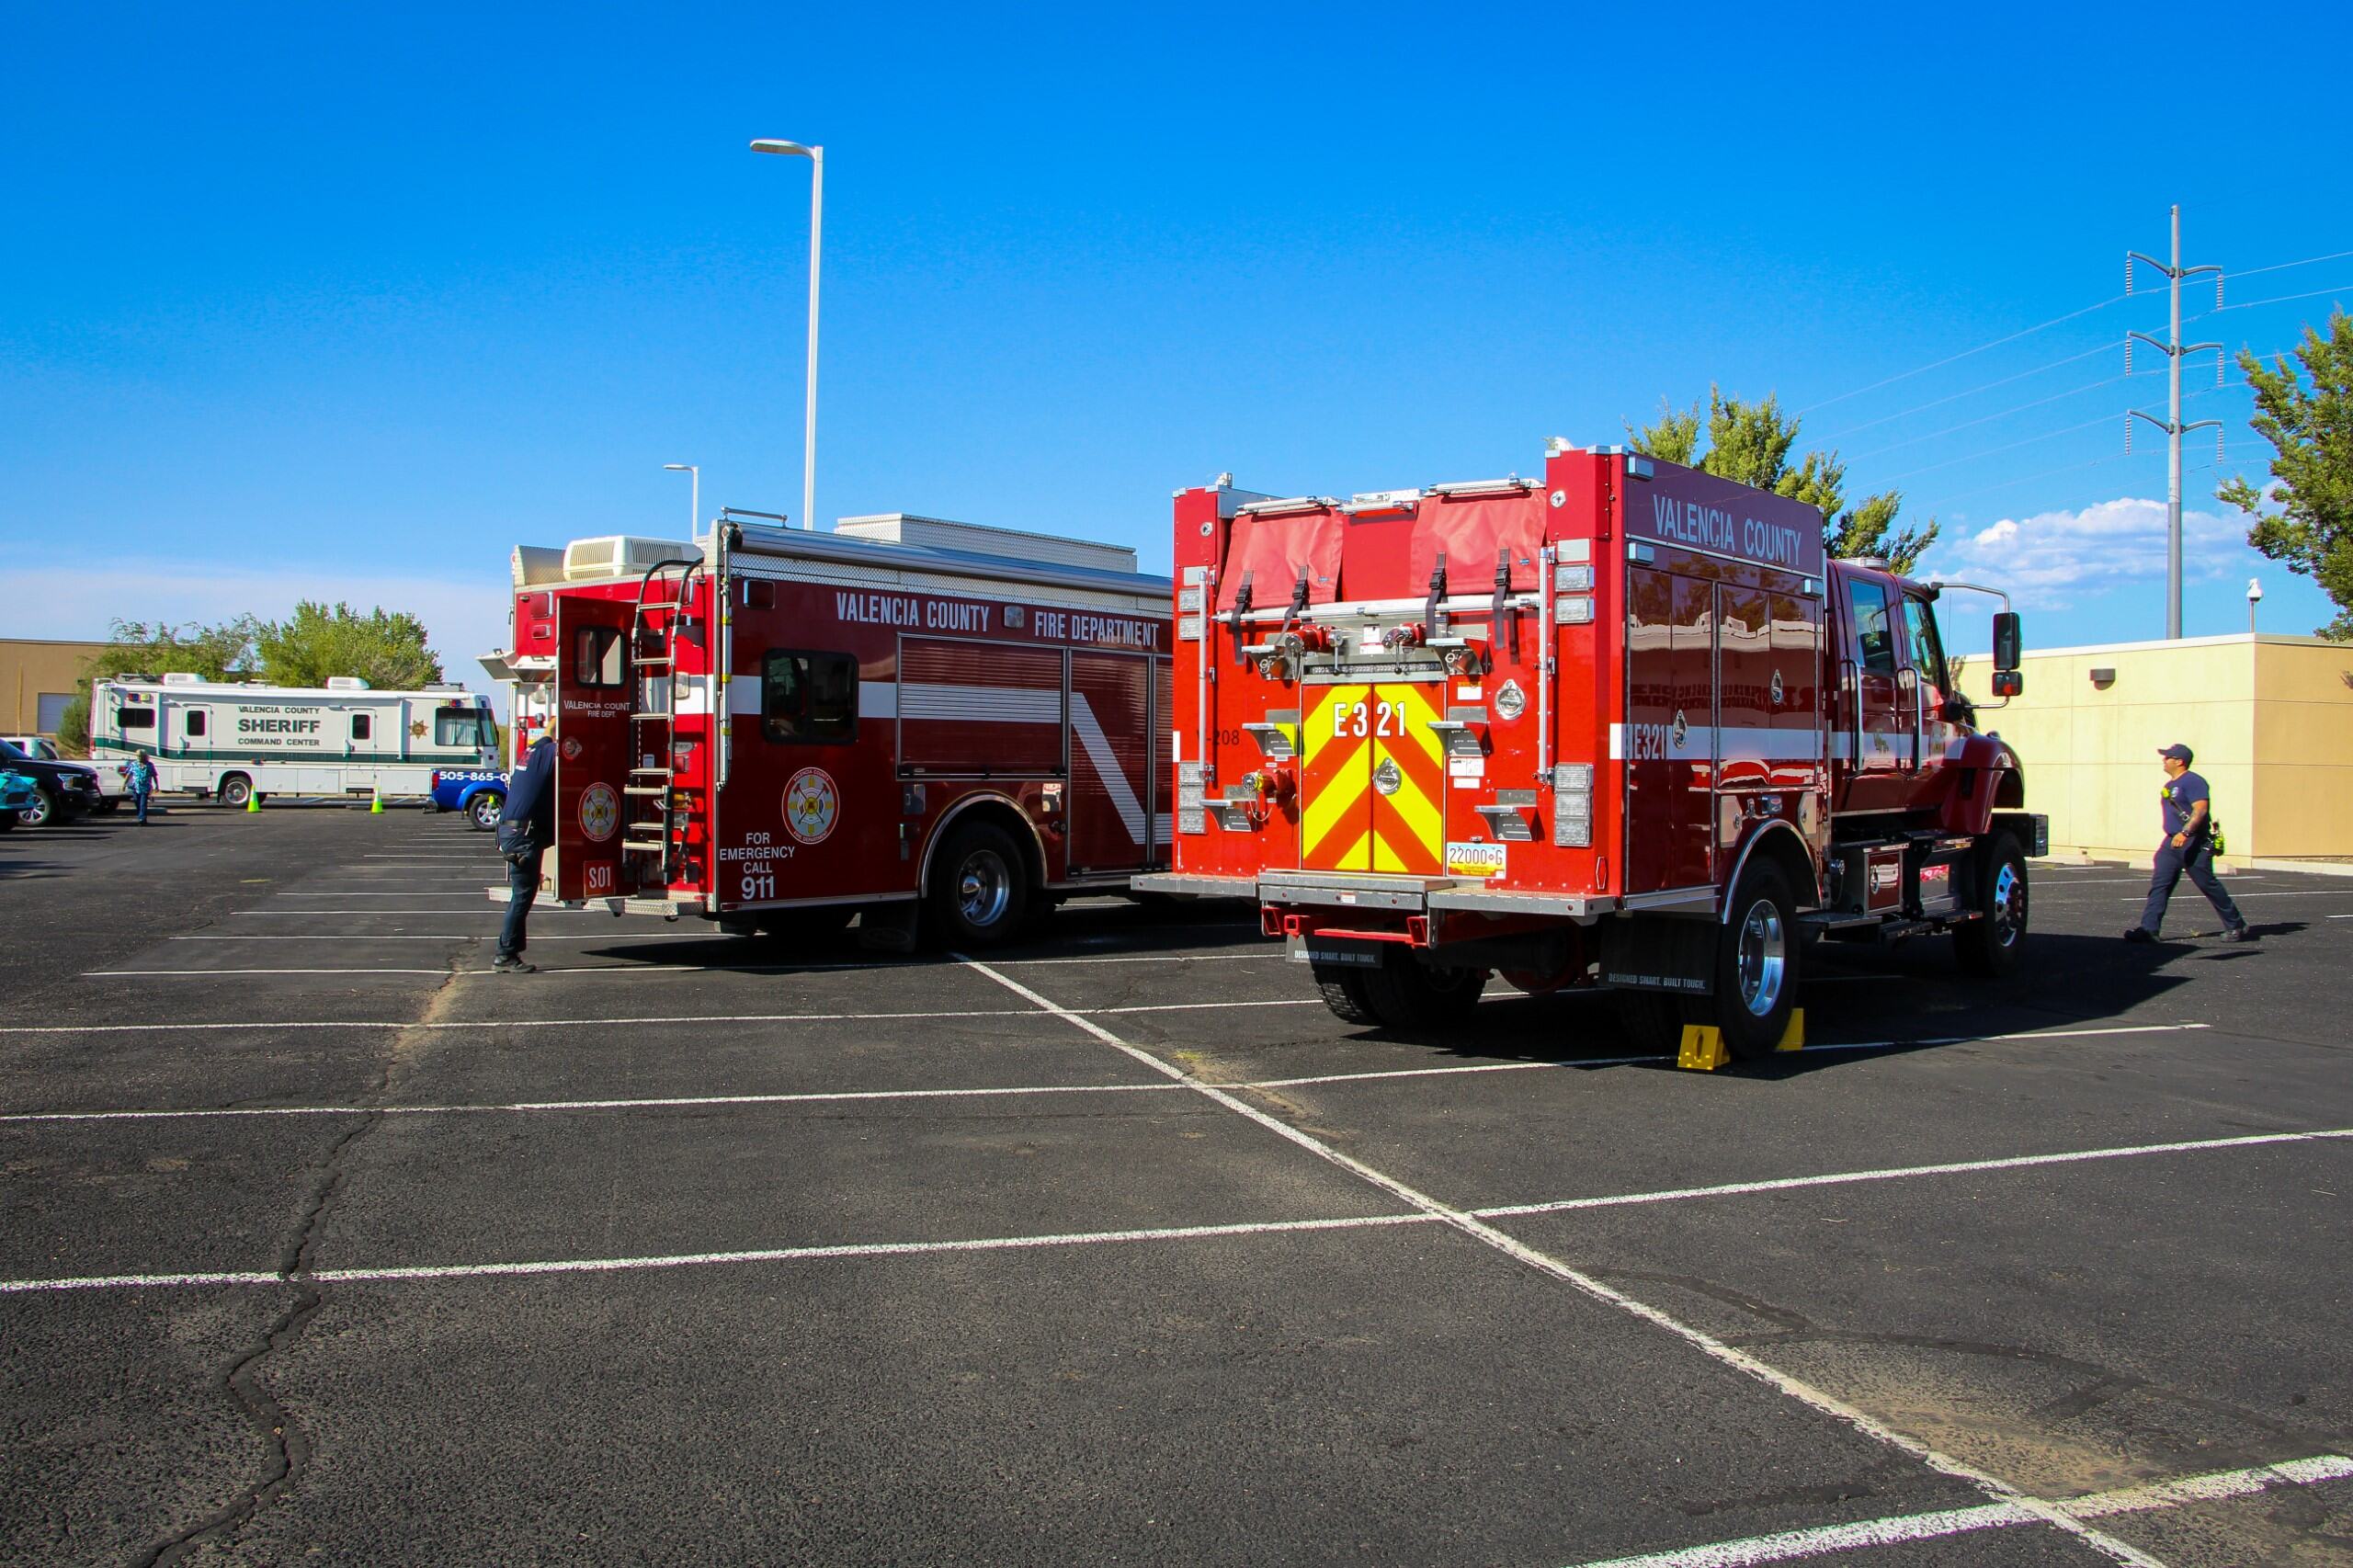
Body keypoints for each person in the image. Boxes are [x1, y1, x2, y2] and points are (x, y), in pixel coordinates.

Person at [2125, 744, 2255, 943]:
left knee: (2207, 884)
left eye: (2168, 757)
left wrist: (2185, 832)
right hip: (2171, 843)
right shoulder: (2169, 786)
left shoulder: (2194, 781)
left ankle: (2236, 925)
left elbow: (2200, 810)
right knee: (2160, 885)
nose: (2164, 760)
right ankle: (2149, 929)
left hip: (2192, 841)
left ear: (2179, 761)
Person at [494, 732, 556, 973]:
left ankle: (509, 952)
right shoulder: (546, 753)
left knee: (521, 895)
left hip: (511, 833)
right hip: (522, 837)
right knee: (521, 896)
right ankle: (505, 954)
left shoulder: (529, 755)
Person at [123, 750, 157, 825]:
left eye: (140, 756)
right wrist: (124, 784)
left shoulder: (149, 765)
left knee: (143, 804)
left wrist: (157, 785)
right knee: (137, 802)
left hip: (145, 788)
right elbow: (128, 775)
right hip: (135, 787)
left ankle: (142, 819)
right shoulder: (134, 764)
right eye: (138, 756)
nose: (139, 757)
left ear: (144, 756)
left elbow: (154, 775)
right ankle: (141, 816)